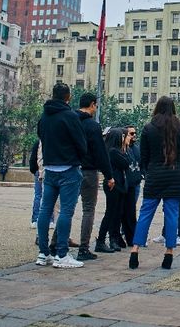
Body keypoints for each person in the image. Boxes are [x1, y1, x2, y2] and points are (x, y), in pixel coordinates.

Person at [128, 96, 180, 270]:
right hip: (175, 174)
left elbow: (144, 156)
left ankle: (135, 249)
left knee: (145, 213)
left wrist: (148, 171)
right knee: (172, 214)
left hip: (155, 174)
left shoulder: (149, 128)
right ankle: (169, 252)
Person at [34, 83, 88, 269]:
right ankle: (62, 254)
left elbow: (40, 135)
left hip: (49, 169)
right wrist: (79, 158)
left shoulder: (44, 116)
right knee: (66, 211)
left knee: (45, 210)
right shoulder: (70, 116)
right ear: (68, 97)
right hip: (68, 169)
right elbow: (81, 142)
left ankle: (43, 253)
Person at [76, 92, 114, 261]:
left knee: (67, 209)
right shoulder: (92, 126)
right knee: (88, 209)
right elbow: (100, 152)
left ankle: (56, 242)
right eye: (96, 105)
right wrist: (109, 175)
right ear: (92, 104)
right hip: (89, 171)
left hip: (71, 168)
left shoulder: (71, 121)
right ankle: (84, 248)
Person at [95, 128, 129, 253]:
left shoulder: (111, 150)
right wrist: (124, 148)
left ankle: (112, 239)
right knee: (110, 213)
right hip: (114, 185)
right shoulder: (113, 151)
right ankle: (102, 240)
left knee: (116, 213)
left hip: (118, 185)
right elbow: (126, 163)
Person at [119, 126, 140, 246]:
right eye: (131, 134)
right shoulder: (120, 150)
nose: (133, 136)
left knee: (131, 211)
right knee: (122, 211)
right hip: (124, 185)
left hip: (133, 184)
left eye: (134, 133)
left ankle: (131, 236)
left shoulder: (134, 149)